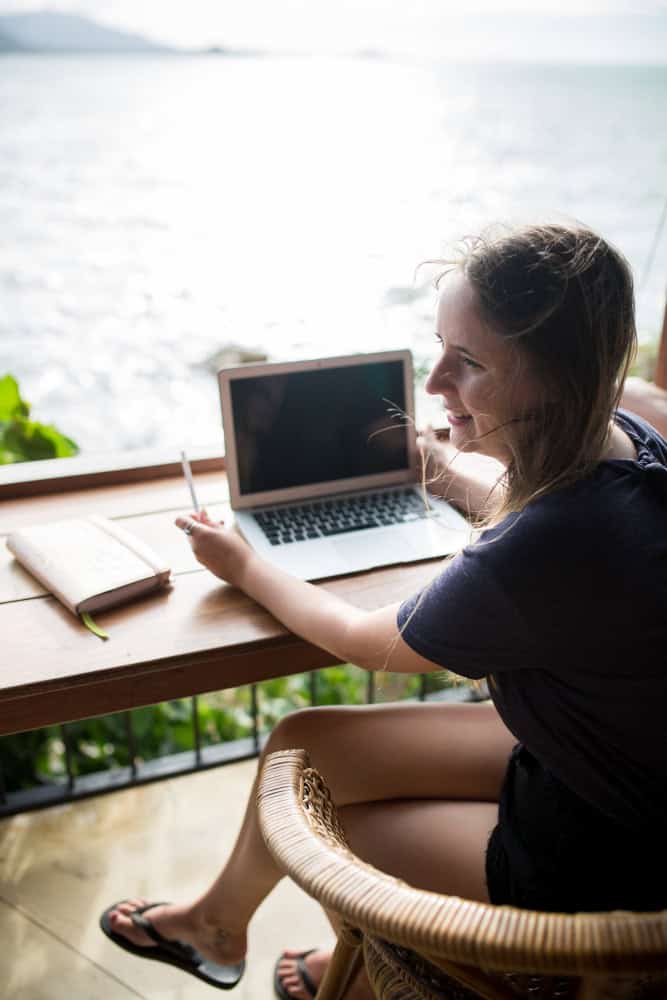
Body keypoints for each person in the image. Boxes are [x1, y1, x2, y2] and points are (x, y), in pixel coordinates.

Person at [100, 222, 667, 997]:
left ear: (554, 379)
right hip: (603, 772)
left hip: (604, 861)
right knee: (306, 741)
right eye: (438, 347)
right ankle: (216, 925)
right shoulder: (630, 442)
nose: (433, 385)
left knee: (335, 838)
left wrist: (245, 564)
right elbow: (547, 509)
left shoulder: (542, 547)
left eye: (466, 363)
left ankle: (372, 971)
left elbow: (366, 640)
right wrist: (446, 472)